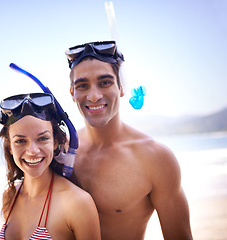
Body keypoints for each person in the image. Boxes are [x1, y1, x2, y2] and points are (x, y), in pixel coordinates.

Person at [64, 41, 193, 240]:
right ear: (73, 93)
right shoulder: (58, 151)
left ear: (122, 87)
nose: (94, 96)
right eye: (82, 85)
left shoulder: (155, 158)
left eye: (105, 82)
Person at [0, 92, 101, 240]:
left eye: (42, 138)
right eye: (20, 141)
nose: (32, 151)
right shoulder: (10, 195)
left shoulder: (77, 203)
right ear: (9, 147)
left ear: (56, 142)